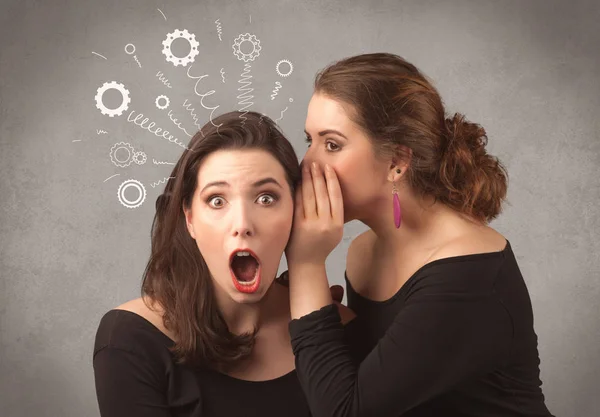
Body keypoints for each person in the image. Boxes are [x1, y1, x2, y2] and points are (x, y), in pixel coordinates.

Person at [285, 53, 555, 416]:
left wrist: (305, 264)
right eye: (309, 142)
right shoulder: (364, 253)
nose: (308, 165)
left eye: (331, 144)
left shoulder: (467, 273)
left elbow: (344, 411)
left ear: (397, 161)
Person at [92, 111, 355, 417]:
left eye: (266, 198)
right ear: (190, 220)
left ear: (296, 213)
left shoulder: (340, 332)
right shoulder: (130, 340)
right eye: (217, 200)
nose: (242, 224)